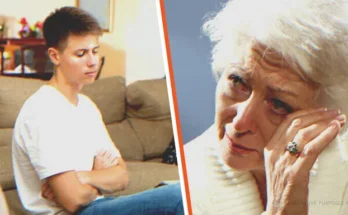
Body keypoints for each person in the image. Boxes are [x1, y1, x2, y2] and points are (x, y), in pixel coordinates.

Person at [12, 6, 184, 215]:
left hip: (100, 206)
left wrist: (84, 176)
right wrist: (99, 177)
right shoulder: (42, 112)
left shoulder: (87, 107)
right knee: (177, 197)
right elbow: (73, 200)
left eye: (94, 51)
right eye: (81, 54)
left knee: (184, 188)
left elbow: (121, 176)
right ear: (55, 56)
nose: (92, 61)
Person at [184, 0, 348, 214]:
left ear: (326, 120)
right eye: (238, 82)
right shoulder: (186, 185)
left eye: (279, 104)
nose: (241, 122)